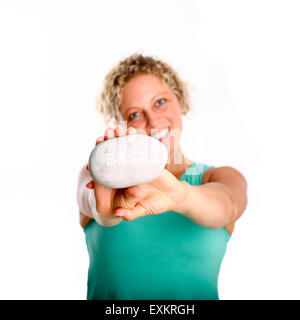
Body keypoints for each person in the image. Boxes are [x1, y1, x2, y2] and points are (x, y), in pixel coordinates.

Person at [77, 53, 248, 300]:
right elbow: (95, 206)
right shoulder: (94, 174)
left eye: (160, 102)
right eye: (134, 114)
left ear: (179, 99)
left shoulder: (219, 177)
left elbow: (227, 206)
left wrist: (180, 196)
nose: (153, 120)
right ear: (121, 125)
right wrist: (109, 207)